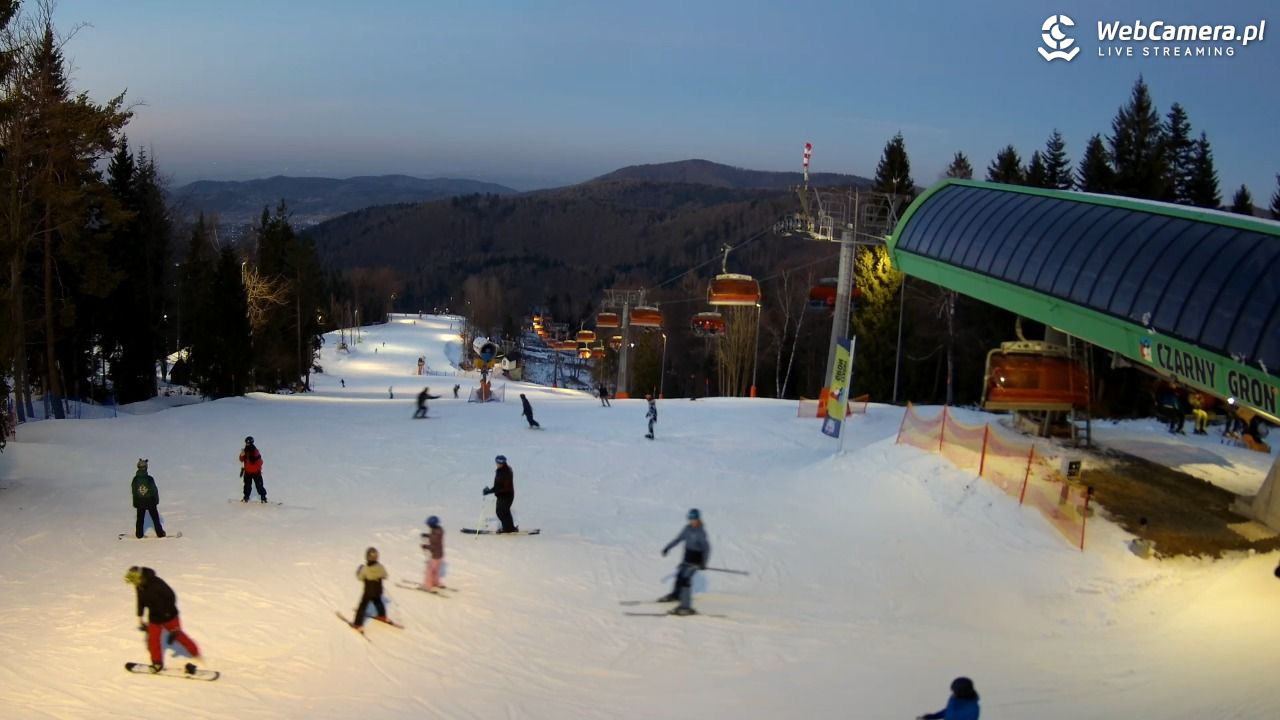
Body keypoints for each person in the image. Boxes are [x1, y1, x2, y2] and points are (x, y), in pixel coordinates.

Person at [124, 566, 201, 671]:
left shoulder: (157, 583)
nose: (133, 583)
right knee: (153, 640)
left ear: (139, 577)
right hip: (154, 617)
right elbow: (140, 601)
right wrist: (140, 616)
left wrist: (168, 614)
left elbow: (171, 597)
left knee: (179, 636)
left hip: (169, 616)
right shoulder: (139, 586)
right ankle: (157, 663)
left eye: (134, 580)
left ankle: (196, 653)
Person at [660, 508, 710, 615]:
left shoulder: (701, 532)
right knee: (679, 575)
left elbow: (706, 548)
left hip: (696, 560)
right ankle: (677, 595)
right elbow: (678, 539)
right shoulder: (687, 529)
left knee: (685, 580)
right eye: (690, 518)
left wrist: (703, 563)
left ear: (698, 518)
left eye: (694, 518)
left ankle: (685, 607)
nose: (692, 521)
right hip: (687, 558)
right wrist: (667, 548)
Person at [352, 547, 389, 630]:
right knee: (378, 601)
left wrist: (359, 570)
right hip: (378, 590)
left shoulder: (365, 568)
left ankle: (357, 624)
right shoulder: (380, 567)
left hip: (368, 592)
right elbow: (385, 575)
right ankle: (382, 615)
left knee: (362, 606)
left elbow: (360, 578)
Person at [131, 459, 166, 539]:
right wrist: (156, 501)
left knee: (140, 519)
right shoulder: (149, 479)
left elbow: (134, 492)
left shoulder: (135, 480)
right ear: (146, 468)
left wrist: (135, 503)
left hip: (140, 502)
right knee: (155, 518)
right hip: (150, 501)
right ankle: (160, 533)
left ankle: (139, 534)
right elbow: (154, 491)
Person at [482, 455, 518, 533]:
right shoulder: (500, 471)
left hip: (507, 495)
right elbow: (497, 486)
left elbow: (505, 487)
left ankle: (508, 529)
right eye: (497, 463)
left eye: (499, 463)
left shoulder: (507, 472)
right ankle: (509, 528)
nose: (497, 464)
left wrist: (493, 491)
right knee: (502, 512)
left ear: (502, 463)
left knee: (501, 512)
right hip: (502, 495)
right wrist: (489, 491)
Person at [239, 436, 268, 503]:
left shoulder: (255, 452)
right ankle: (246, 497)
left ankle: (263, 497)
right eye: (246, 443)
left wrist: (258, 469)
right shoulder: (245, 451)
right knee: (247, 485)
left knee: (259, 485)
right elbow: (241, 460)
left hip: (256, 472)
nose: (247, 445)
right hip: (247, 473)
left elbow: (260, 462)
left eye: (248, 443)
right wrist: (241, 455)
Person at [420, 516, 446, 591]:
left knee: (430, 571)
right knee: (436, 570)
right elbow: (434, 536)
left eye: (429, 524)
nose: (428, 526)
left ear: (432, 524)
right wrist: (427, 535)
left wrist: (425, 546)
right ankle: (436, 582)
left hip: (435, 555)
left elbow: (433, 546)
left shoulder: (435, 533)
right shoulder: (439, 529)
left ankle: (428, 586)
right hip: (440, 554)